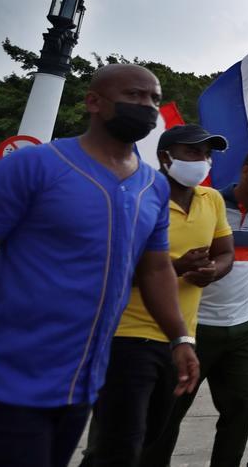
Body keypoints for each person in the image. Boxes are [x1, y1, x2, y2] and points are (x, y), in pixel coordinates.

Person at [0, 64, 198, 467]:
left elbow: (156, 268)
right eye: (135, 96)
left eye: (154, 99)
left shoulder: (152, 186)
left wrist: (180, 338)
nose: (147, 106)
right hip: (12, 377)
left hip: (83, 380)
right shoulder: (34, 166)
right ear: (93, 102)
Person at [82, 123, 234, 465]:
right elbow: (110, 268)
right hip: (127, 335)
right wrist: (175, 269)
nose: (203, 160)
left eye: (207, 154)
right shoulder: (135, 195)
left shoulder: (212, 200)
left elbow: (226, 253)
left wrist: (213, 271)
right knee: (120, 441)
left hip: (180, 339)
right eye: (193, 152)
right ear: (165, 157)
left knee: (151, 435)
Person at [144, 144, 248, 467]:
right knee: (167, 413)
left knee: (244, 405)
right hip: (194, 325)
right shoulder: (209, 203)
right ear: (246, 171)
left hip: (241, 327)